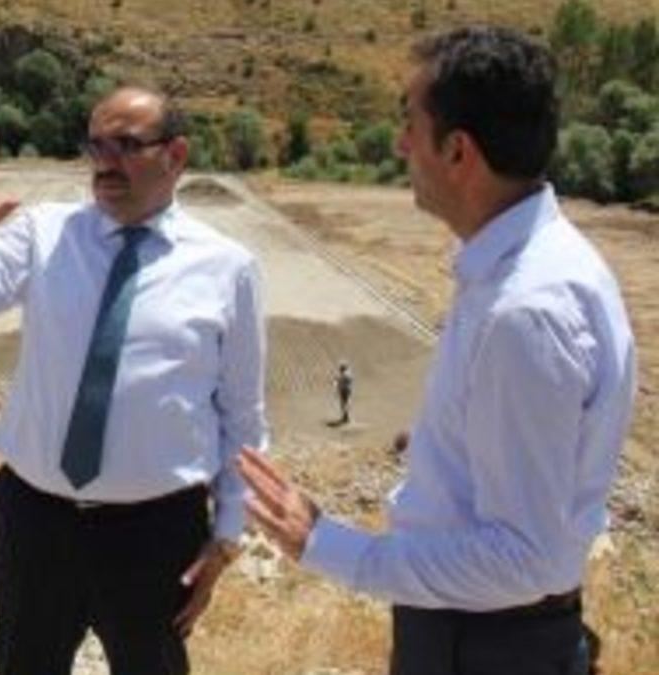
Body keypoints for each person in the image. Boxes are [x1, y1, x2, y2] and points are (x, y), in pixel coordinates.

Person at [240, 26, 635, 675]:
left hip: (482, 645)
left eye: (410, 126)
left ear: (457, 151)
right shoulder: (528, 269)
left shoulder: (524, 310)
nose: (400, 145)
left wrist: (326, 544)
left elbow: (521, 558)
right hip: (486, 634)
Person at [0, 86, 267, 674]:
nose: (104, 162)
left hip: (156, 533)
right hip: (36, 521)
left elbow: (242, 414)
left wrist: (226, 537)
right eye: (95, 146)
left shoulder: (228, 267)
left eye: (125, 145)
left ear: (175, 155)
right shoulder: (44, 233)